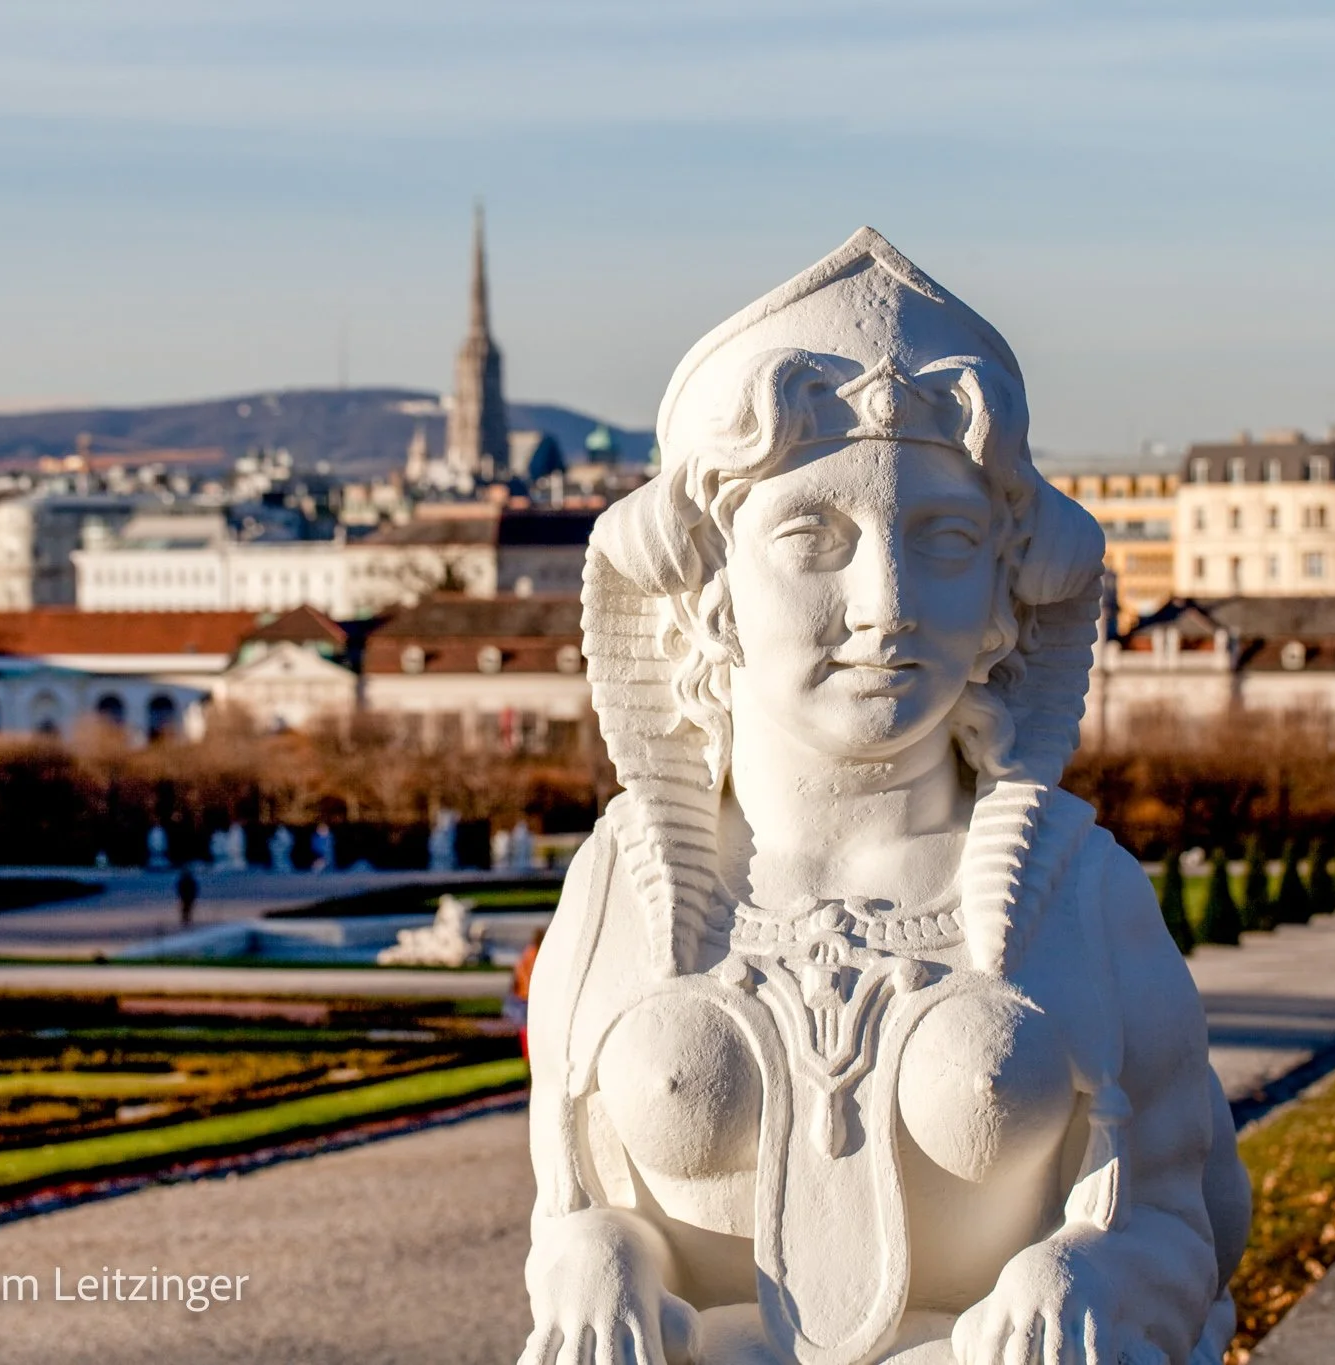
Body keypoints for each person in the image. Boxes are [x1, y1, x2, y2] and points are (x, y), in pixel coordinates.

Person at [517, 229, 1248, 1365]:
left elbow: (1181, 1219)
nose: (885, 605)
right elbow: (567, 1199)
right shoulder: (617, 883)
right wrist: (590, 1256)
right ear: (709, 590)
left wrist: (1082, 1272)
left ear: (1004, 590)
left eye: (944, 539)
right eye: (813, 536)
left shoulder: (1079, 888)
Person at [507, 928, 545, 1060]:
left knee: (527, 1030)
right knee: (528, 1030)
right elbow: (526, 976)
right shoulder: (534, 953)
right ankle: (529, 1056)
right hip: (526, 998)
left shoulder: (530, 952)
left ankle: (529, 1056)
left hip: (523, 996)